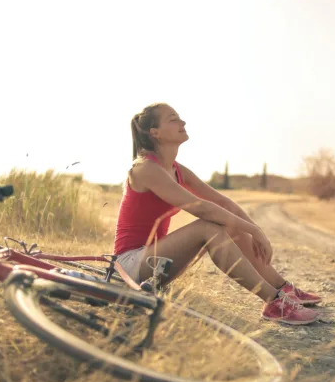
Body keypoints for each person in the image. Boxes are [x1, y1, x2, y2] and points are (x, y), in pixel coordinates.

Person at [114, 103, 322, 325]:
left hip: (157, 263)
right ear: (155, 133)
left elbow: (222, 202)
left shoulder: (177, 169)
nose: (182, 122)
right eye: (173, 119)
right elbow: (200, 207)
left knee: (231, 225)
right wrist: (253, 230)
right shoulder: (145, 168)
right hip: (129, 266)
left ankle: (283, 288)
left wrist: (255, 230)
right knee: (208, 227)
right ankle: (273, 302)